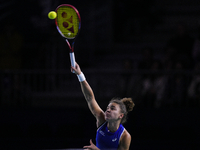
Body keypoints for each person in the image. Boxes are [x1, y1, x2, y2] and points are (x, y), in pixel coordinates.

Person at [71, 62, 135, 150]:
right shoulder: (102, 119)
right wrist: (80, 74)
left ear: (121, 115)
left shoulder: (125, 136)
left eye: (112, 109)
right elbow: (90, 98)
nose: (108, 110)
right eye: (107, 108)